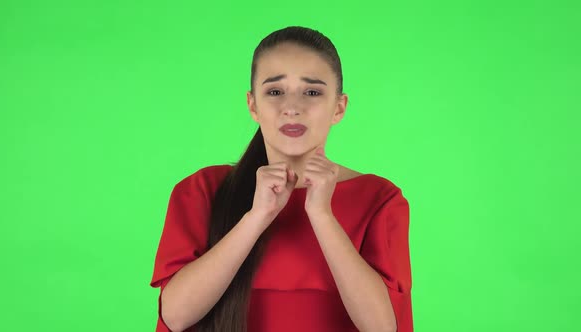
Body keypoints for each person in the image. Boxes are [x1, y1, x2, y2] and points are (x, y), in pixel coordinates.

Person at [149, 26, 413, 332]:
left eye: (312, 92)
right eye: (275, 92)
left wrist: (322, 216)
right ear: (253, 105)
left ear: (338, 107)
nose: (292, 108)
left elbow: (383, 327)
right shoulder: (202, 191)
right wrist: (257, 216)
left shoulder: (380, 199)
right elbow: (176, 316)